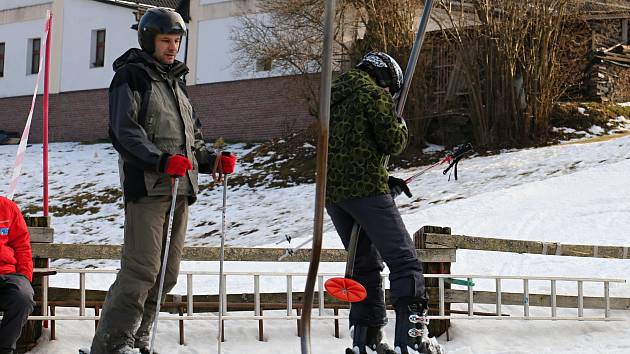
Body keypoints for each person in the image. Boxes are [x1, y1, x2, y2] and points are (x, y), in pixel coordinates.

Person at [89, 8, 235, 354]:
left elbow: (191, 138)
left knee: (167, 274)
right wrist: (161, 160)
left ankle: (140, 337)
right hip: (149, 188)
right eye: (165, 41)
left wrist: (211, 159)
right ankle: (114, 343)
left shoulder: (175, 82)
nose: (172, 48)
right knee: (141, 270)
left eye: (177, 41)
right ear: (148, 40)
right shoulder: (132, 76)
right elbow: (124, 132)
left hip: (180, 189)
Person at [326, 52, 438, 354]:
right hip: (366, 191)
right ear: (385, 78)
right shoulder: (372, 94)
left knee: (364, 265)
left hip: (334, 194)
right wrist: (399, 123)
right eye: (391, 89)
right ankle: (412, 338)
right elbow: (393, 141)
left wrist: (383, 176)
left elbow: (349, 147)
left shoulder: (331, 96)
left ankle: (367, 338)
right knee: (404, 260)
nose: (389, 95)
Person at [0, 196, 35, 354]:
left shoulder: (7, 207)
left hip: (9, 274)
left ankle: (5, 349)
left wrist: (25, 277)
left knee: (23, 297)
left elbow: (22, 246)